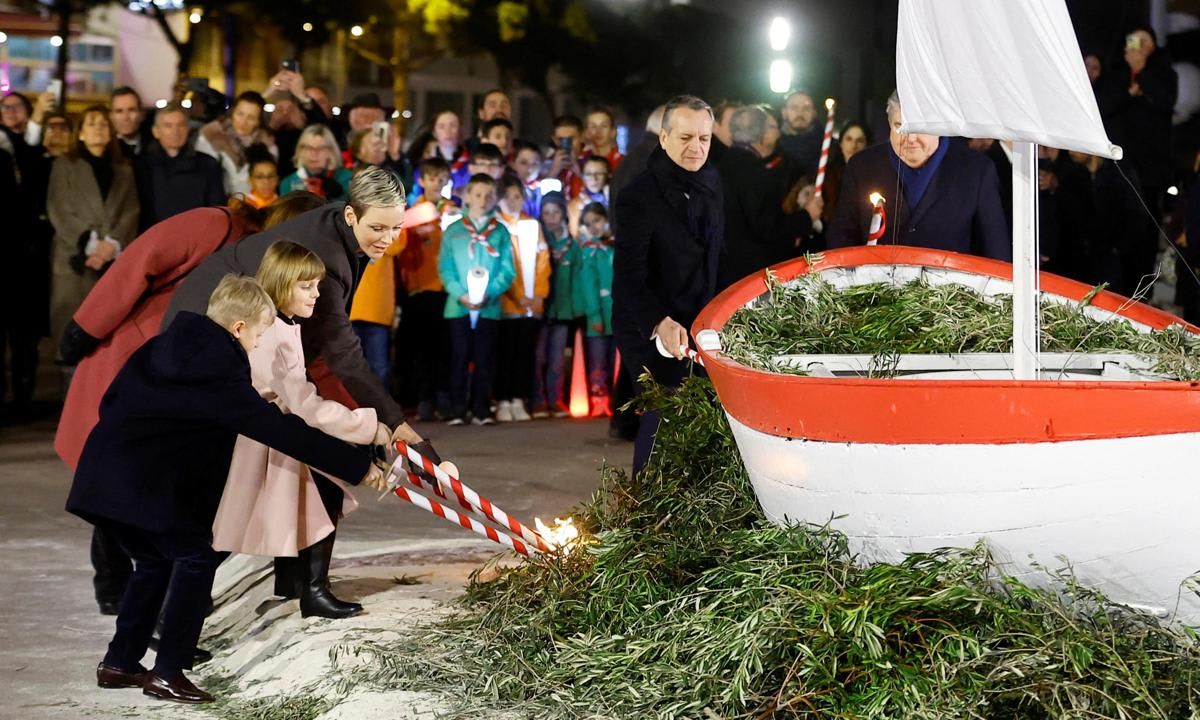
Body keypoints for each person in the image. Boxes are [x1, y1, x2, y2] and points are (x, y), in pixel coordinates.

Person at [66, 275, 383, 705]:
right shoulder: (216, 372)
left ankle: (120, 662)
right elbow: (278, 430)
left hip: (102, 476)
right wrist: (358, 466)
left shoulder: (160, 347)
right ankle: (168, 671)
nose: (256, 346)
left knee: (154, 562)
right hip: (142, 487)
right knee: (196, 557)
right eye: (257, 335)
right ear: (238, 328)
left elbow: (111, 402)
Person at [214, 242, 391, 618]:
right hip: (272, 436)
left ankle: (298, 583)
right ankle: (313, 590)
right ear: (281, 285)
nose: (316, 293)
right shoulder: (275, 332)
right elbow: (303, 403)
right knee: (242, 524)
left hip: (275, 434)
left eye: (317, 285)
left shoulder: (285, 324)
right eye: (306, 286)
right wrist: (367, 426)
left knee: (289, 507)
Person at [612, 95, 723, 476]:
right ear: (663, 138)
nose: (696, 147)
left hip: (699, 322)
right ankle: (647, 514)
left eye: (704, 139)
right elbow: (627, 276)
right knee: (663, 416)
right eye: (686, 137)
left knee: (702, 421)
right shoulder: (637, 196)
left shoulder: (712, 183)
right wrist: (659, 321)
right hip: (648, 324)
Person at [827, 90, 1009, 261]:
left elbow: (995, 251)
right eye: (900, 126)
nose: (910, 138)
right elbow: (841, 239)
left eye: (920, 127)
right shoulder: (862, 166)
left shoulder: (976, 170)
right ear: (889, 124)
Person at [48, 106, 140, 372]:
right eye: (91, 124)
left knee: (107, 334)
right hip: (73, 261)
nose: (98, 128)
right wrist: (90, 244)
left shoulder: (123, 169)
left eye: (103, 124)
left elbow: (131, 210)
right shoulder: (65, 165)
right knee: (71, 333)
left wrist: (111, 244)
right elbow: (59, 209)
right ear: (80, 133)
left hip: (112, 260)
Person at [438, 173, 515, 425]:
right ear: (468, 196)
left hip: (488, 307)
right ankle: (457, 408)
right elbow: (445, 267)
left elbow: (507, 269)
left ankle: (481, 408)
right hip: (458, 306)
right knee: (459, 356)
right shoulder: (454, 231)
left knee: (485, 357)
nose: (483, 200)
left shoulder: (500, 232)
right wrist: (460, 293)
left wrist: (489, 292)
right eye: (478, 194)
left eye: (489, 195)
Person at [718, 105, 822, 288]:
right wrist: (807, 216)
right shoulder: (757, 175)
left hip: (722, 271)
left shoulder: (720, 165)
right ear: (762, 136)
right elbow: (769, 228)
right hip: (749, 277)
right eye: (771, 127)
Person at [397, 157, 453, 420]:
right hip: (419, 288)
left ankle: (442, 398)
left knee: (444, 347)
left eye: (442, 179)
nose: (437, 183)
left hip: (447, 288)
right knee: (421, 348)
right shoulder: (411, 212)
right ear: (421, 181)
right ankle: (423, 399)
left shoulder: (452, 211)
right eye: (432, 178)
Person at [494, 175, 550, 422]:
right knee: (505, 352)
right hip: (506, 303)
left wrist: (538, 294)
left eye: (517, 196)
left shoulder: (532, 225)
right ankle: (502, 399)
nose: (513, 201)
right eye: (508, 196)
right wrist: (516, 295)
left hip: (530, 304)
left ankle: (519, 399)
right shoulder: (495, 225)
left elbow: (543, 261)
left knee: (525, 353)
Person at [135, 103, 225, 231]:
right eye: (168, 126)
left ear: (188, 129)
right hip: (153, 239)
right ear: (156, 131)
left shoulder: (208, 165)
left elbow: (216, 211)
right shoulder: (141, 166)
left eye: (181, 125)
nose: (175, 131)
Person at [531, 192, 577, 418]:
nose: (551, 218)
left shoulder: (572, 244)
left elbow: (578, 278)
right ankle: (538, 400)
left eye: (555, 212)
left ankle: (555, 399)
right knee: (538, 357)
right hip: (540, 309)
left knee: (557, 359)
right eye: (546, 213)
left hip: (562, 310)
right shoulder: (538, 241)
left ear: (563, 214)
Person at [574, 202, 616, 417]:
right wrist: (593, 315)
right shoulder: (588, 252)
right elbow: (588, 286)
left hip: (615, 314)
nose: (594, 227)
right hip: (598, 315)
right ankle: (599, 399)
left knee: (613, 359)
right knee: (598, 361)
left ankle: (615, 400)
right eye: (589, 224)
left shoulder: (612, 248)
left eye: (597, 221)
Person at [195, 91, 277, 197]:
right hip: (216, 203)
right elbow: (201, 177)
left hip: (253, 206)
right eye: (240, 114)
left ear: (259, 121)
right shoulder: (212, 136)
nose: (243, 122)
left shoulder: (267, 144)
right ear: (232, 113)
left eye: (251, 117)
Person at [280, 124, 353, 200]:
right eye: (309, 148)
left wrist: (340, 195)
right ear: (300, 151)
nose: (314, 153)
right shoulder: (288, 183)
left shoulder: (347, 178)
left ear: (331, 151)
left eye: (321, 148)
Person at [778, 90, 823, 176]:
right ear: (784, 112)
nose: (800, 113)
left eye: (806, 108)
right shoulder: (773, 145)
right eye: (794, 108)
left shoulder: (828, 147)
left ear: (814, 113)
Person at [568, 156, 611, 236]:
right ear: (583, 177)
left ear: (608, 175)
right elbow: (576, 236)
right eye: (588, 174)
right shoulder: (575, 205)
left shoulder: (615, 199)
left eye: (599, 173)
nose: (594, 178)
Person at [547, 114, 585, 198]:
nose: (567, 144)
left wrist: (579, 172)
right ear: (554, 140)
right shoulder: (546, 163)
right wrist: (553, 171)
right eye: (561, 139)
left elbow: (598, 194)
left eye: (571, 139)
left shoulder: (591, 160)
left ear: (582, 137)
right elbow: (540, 199)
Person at [109, 87, 147, 158]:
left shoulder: (155, 145)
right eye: (119, 111)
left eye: (131, 110)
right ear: (111, 116)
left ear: (142, 114)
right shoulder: (105, 149)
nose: (125, 117)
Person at [510, 139, 544, 217]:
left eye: (535, 163)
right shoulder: (506, 189)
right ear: (513, 164)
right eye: (523, 163)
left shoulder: (544, 189)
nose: (529, 168)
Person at [583, 107, 623, 171]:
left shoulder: (623, 162)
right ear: (586, 133)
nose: (598, 131)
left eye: (604, 126)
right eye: (593, 126)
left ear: (613, 132)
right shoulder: (580, 161)